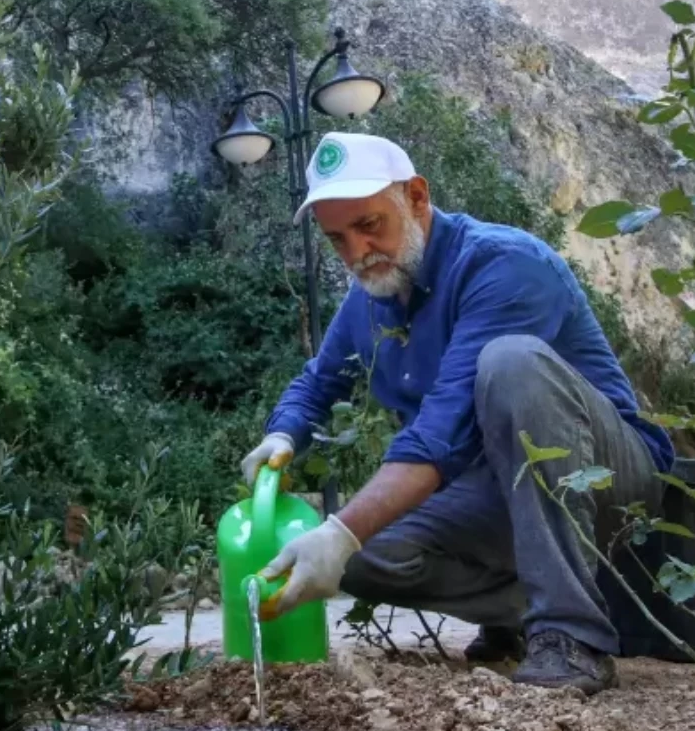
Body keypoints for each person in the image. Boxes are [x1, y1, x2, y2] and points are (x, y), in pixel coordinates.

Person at [242, 132, 673, 694]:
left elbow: (442, 431)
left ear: (417, 197)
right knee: (361, 560)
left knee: (512, 361)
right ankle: (526, 612)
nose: (355, 253)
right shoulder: (369, 298)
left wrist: (340, 529)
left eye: (369, 225)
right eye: (337, 239)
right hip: (491, 490)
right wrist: (283, 434)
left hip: (608, 477)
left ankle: (572, 635)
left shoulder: (504, 264)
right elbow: (320, 380)